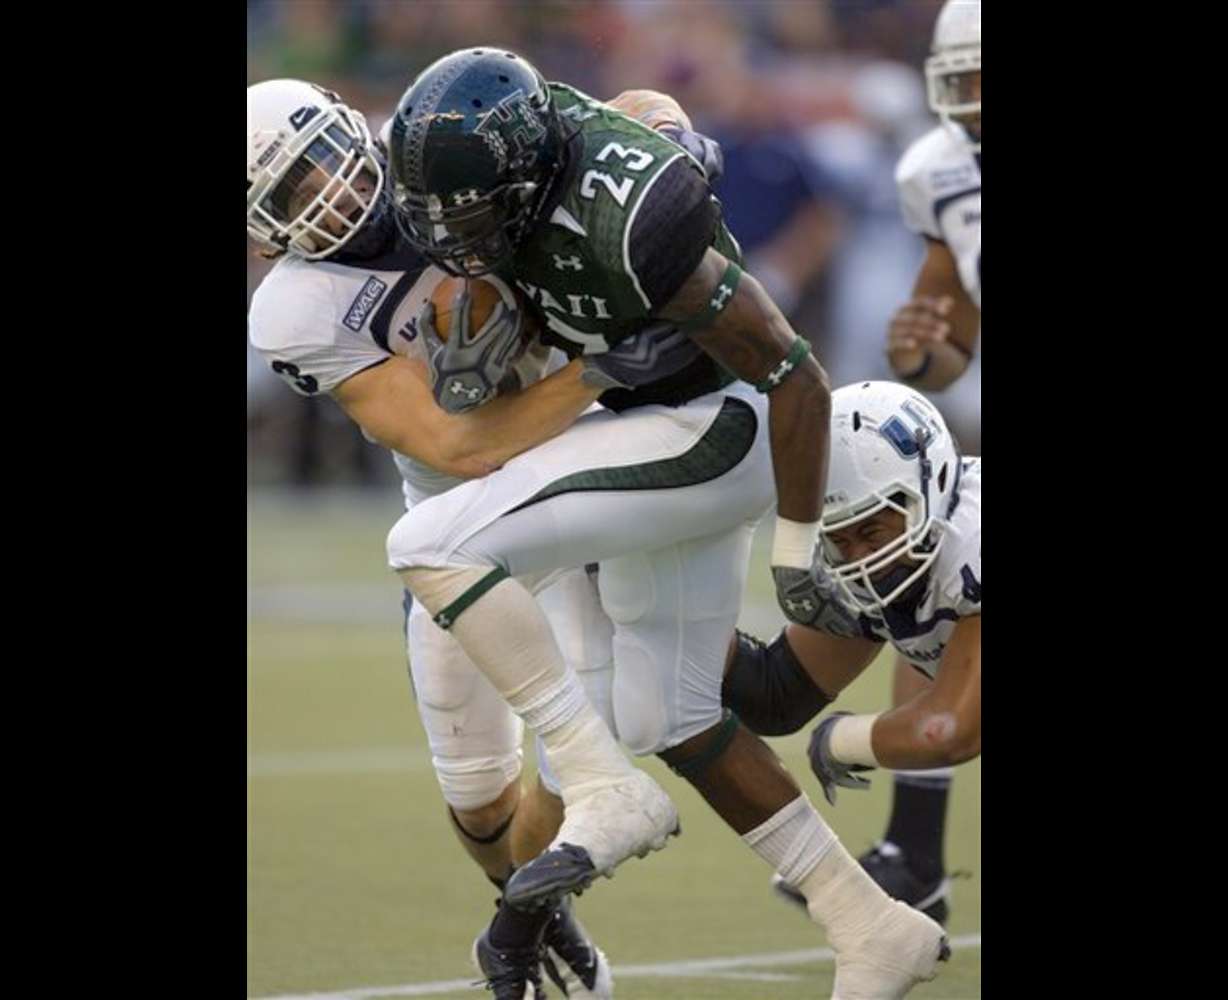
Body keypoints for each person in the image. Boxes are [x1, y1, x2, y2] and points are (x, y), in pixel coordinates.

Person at [385, 48, 949, 999]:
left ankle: (598, 783)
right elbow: (637, 110)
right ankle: (870, 925)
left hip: (720, 425)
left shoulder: (638, 220)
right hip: (654, 420)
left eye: (472, 212)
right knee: (671, 715)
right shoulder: (541, 148)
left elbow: (794, 373)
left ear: (523, 178)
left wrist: (796, 548)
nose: (453, 235)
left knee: (431, 541)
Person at [247, 77, 722, 998]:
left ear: (356, 127)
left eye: (324, 164)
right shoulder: (295, 310)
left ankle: (527, 914)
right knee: (475, 797)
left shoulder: (439, 145)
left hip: (578, 489)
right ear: (266, 228)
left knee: (573, 768)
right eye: (294, 194)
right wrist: (596, 370)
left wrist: (672, 134)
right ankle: (530, 904)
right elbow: (454, 445)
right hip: (459, 520)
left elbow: (623, 109)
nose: (330, 194)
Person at [721, 380, 980, 927]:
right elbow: (775, 696)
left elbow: (952, 729)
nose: (864, 558)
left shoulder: (969, 543)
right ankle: (914, 859)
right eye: (842, 538)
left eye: (874, 529)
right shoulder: (891, 558)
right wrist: (662, 611)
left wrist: (841, 739)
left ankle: (914, 857)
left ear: (928, 486)